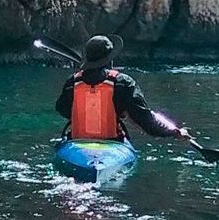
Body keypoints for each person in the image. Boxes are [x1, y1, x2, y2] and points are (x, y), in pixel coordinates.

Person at [55, 36, 187, 144]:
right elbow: (145, 120)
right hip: (112, 142)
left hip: (77, 142)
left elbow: (62, 109)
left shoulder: (72, 82)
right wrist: (174, 132)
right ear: (110, 59)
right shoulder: (123, 82)